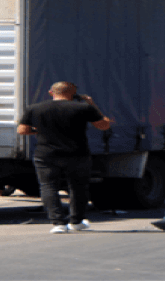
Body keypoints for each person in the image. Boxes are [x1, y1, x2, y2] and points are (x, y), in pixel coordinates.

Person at [16, 81, 112, 233]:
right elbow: (104, 125)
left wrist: (40, 131)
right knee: (78, 187)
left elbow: (22, 130)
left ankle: (58, 223)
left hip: (46, 154)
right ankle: (76, 221)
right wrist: (92, 104)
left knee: (48, 186)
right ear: (74, 94)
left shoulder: (35, 108)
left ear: (51, 92)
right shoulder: (83, 108)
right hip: (77, 154)